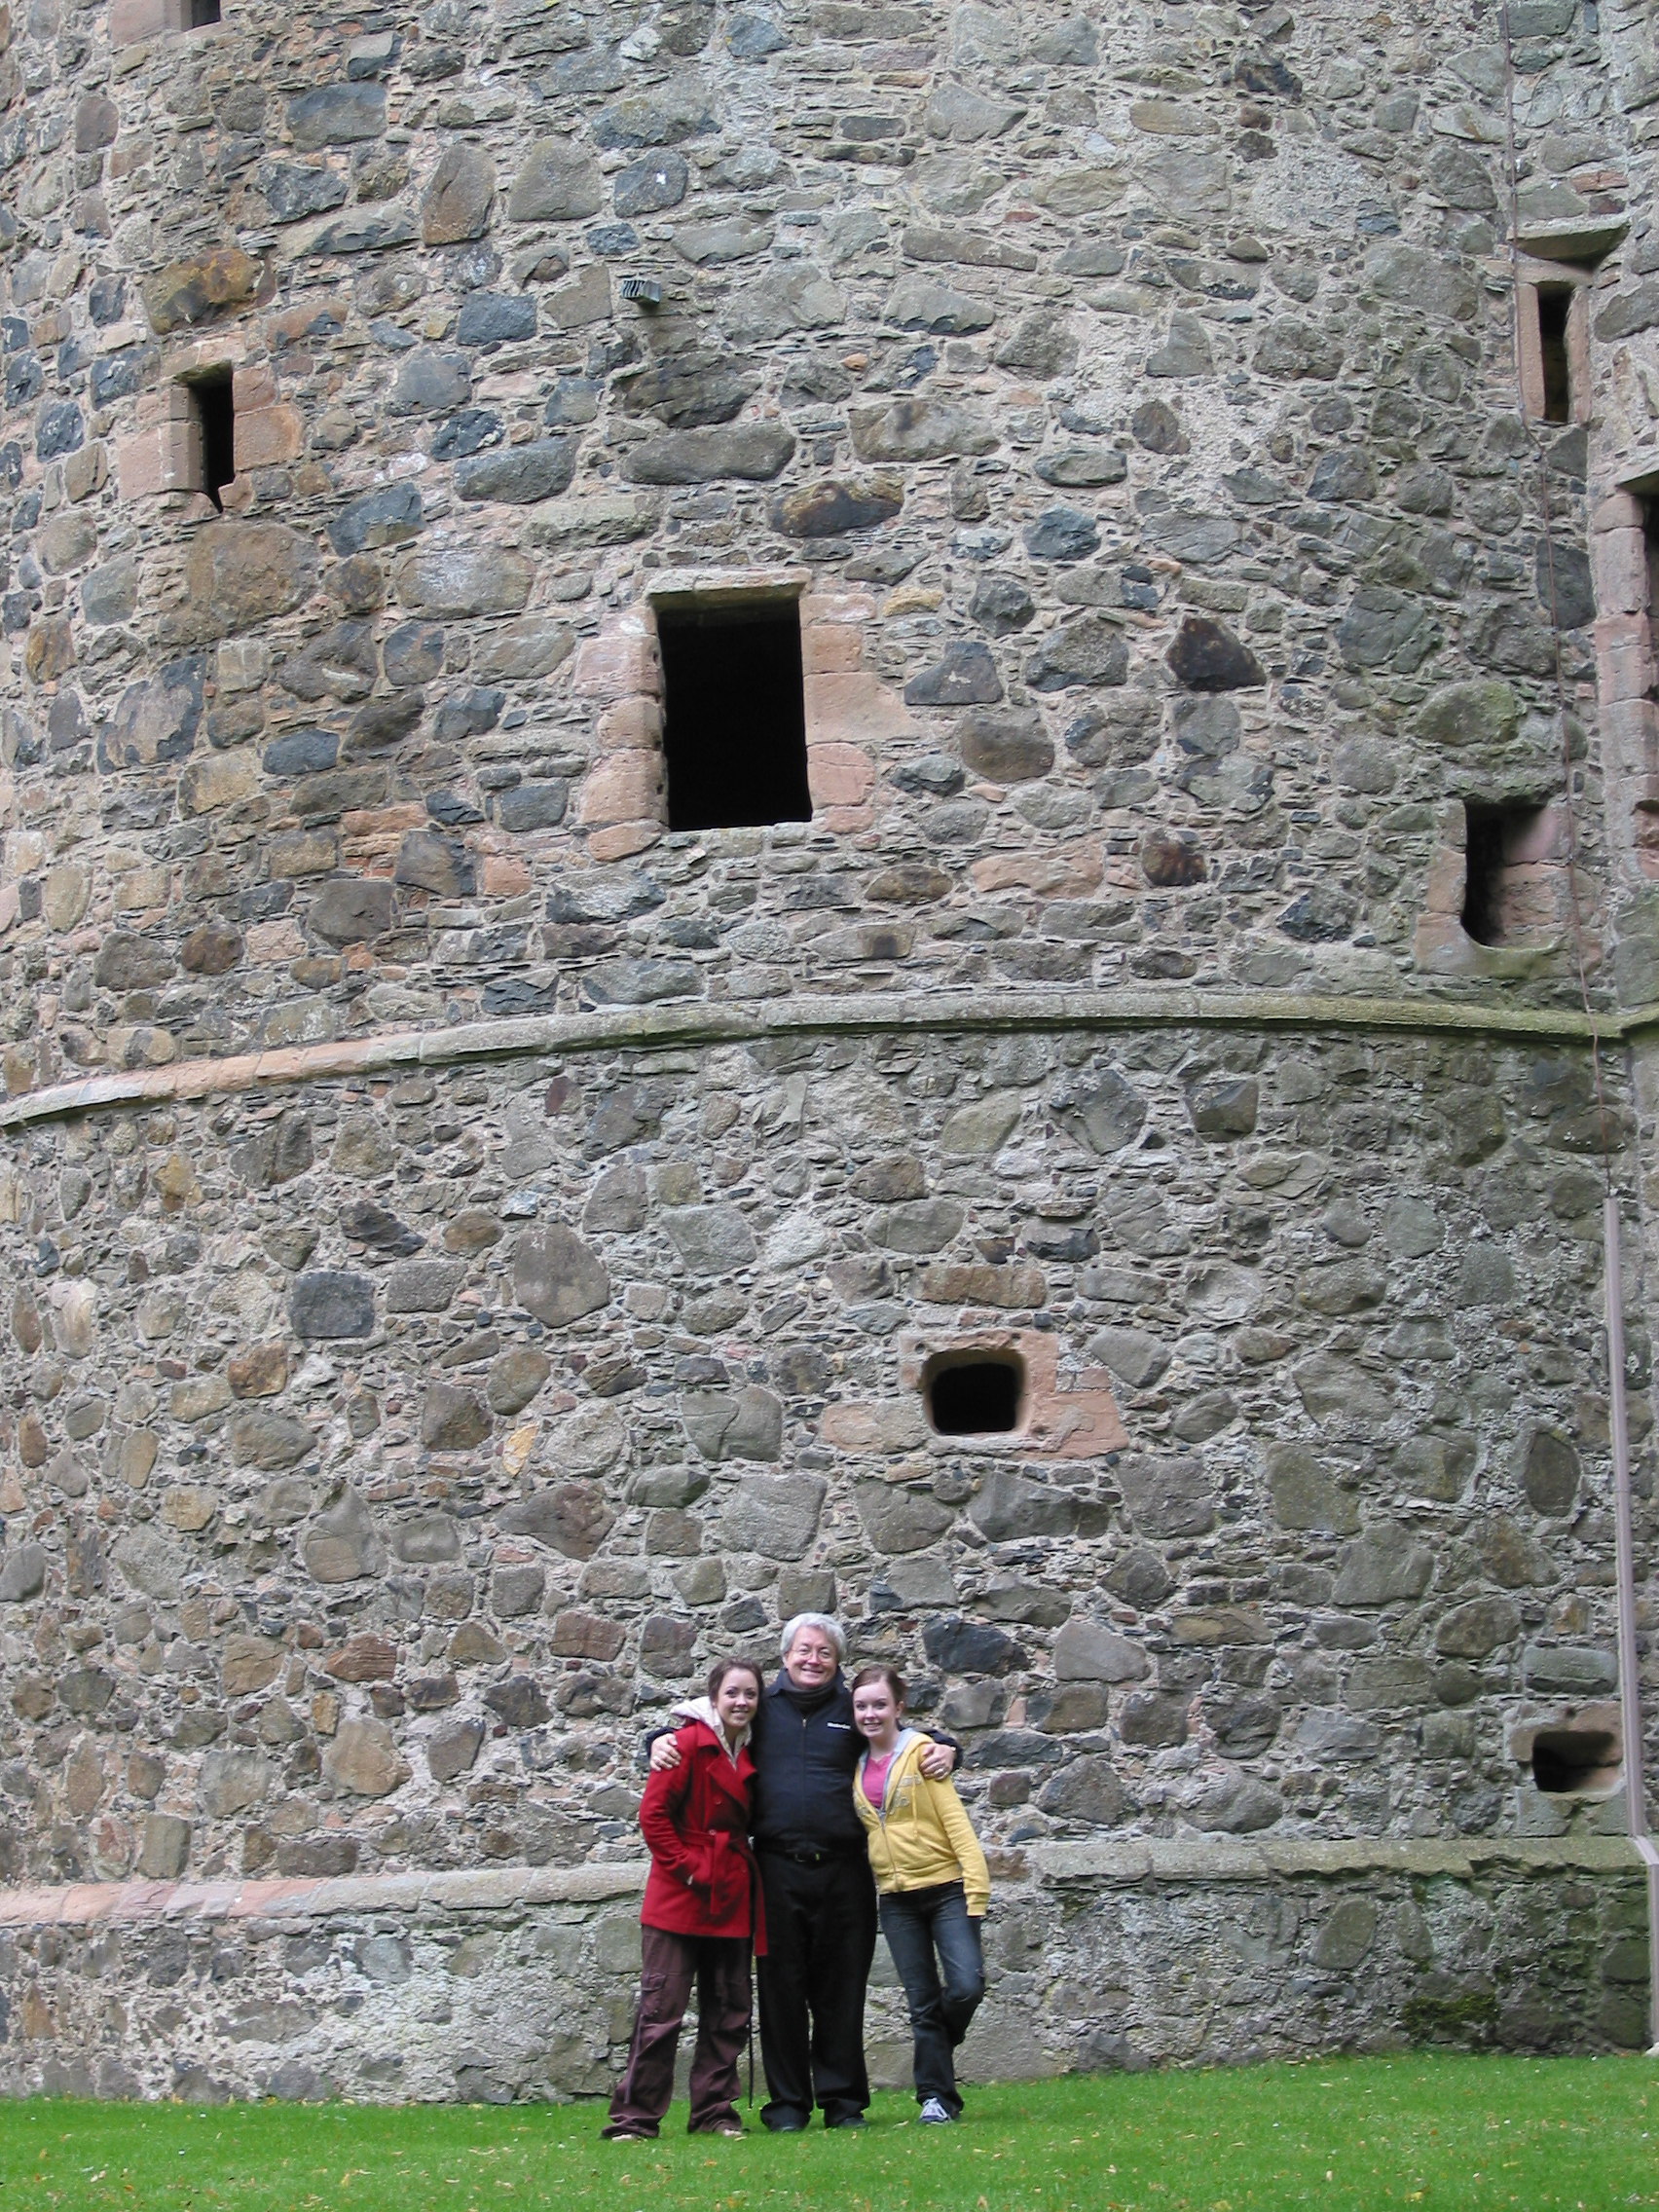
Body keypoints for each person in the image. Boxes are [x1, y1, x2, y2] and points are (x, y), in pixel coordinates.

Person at [649, 1612, 959, 2131]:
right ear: (786, 1655)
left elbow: (904, 1739)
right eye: (804, 1650)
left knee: (842, 1990)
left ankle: (842, 2104)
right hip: (774, 1869)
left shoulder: (854, 1708)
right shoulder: (761, 1708)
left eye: (824, 1653)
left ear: (837, 1662)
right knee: (780, 1990)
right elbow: (702, 1723)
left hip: (846, 1871)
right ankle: (788, 2105)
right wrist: (657, 1737)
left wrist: (950, 1747)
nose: (812, 1660)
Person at [605, 1657, 766, 2141]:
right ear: (713, 1696)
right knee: (660, 2011)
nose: (742, 1702)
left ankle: (714, 2113)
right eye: (733, 1693)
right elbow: (653, 1817)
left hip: (732, 1891)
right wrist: (690, 1868)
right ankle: (634, 2119)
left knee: (728, 2010)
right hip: (680, 1895)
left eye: (751, 1694)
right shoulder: (681, 1745)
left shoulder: (755, 1748)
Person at [851, 1663, 989, 2126]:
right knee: (921, 2001)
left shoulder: (924, 1753)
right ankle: (936, 2098)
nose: (871, 1714)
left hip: (948, 1890)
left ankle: (935, 2048)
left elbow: (957, 1825)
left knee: (967, 1986)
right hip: (896, 1899)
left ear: (899, 1707)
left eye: (880, 1705)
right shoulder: (854, 1763)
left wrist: (977, 1891)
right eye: (862, 1706)